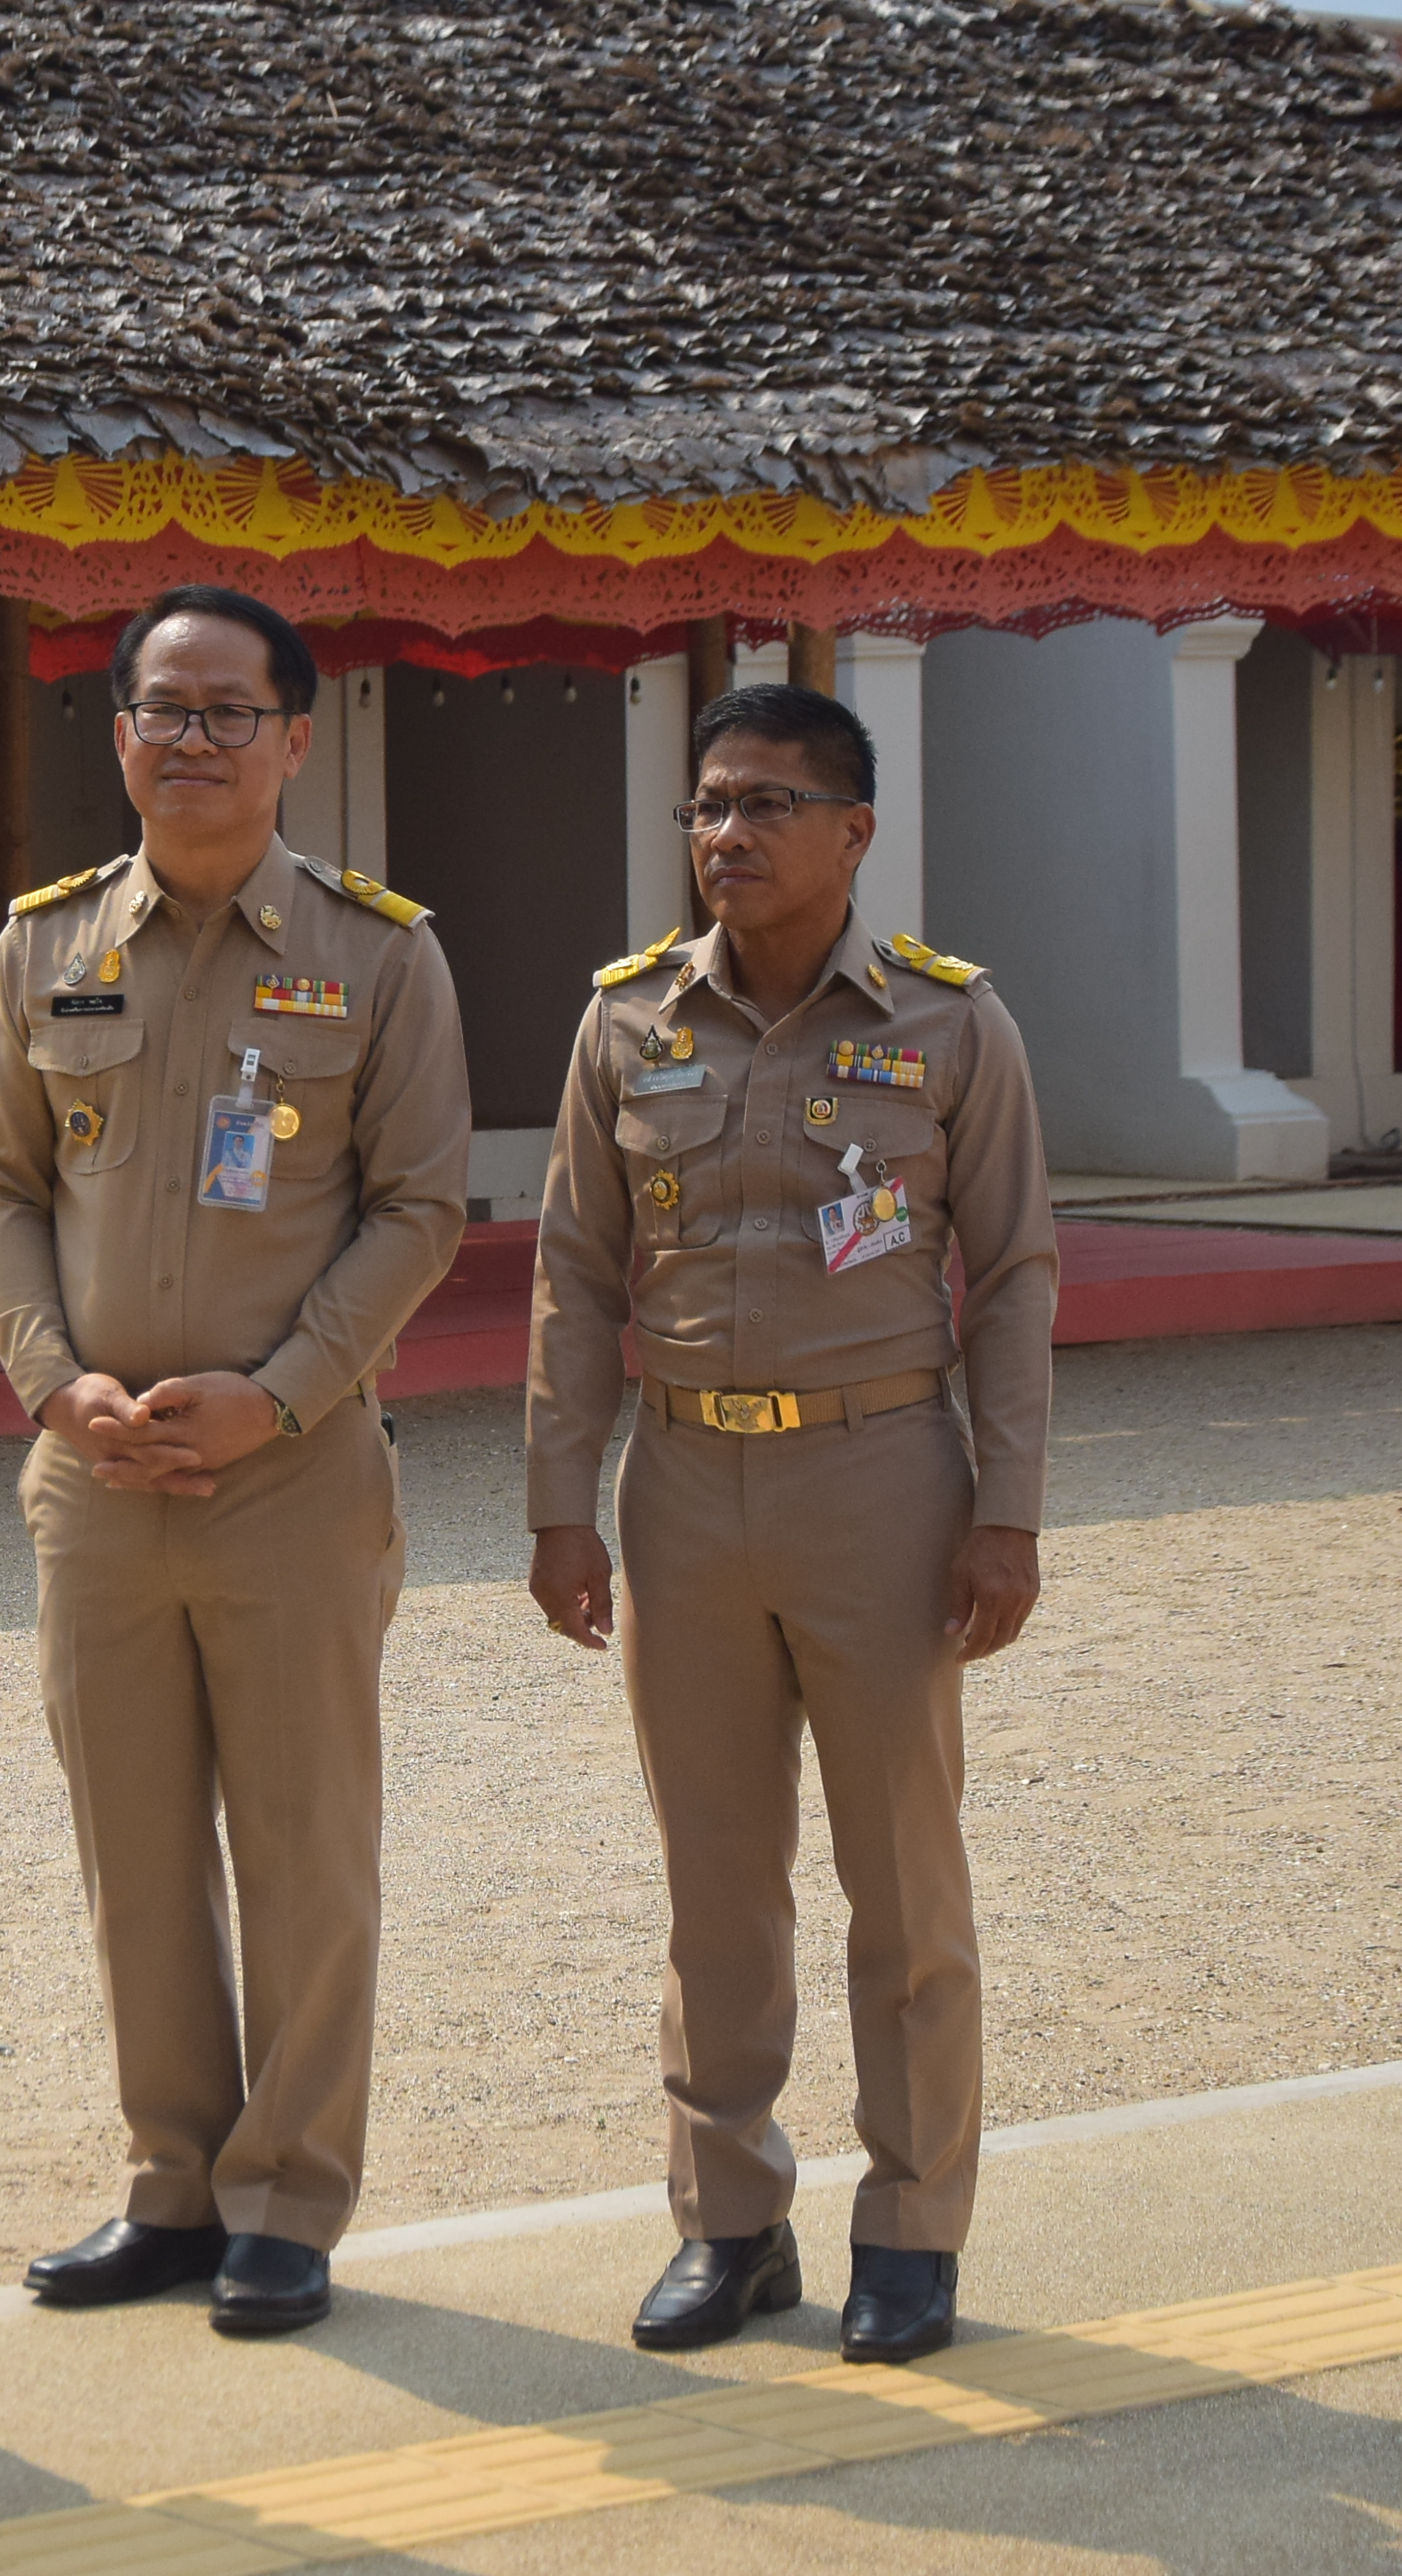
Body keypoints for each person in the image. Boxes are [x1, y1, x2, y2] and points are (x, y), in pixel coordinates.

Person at [0, 585, 470, 2337]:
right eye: (160, 709)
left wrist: (287, 1390)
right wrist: (49, 1383)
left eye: (228, 711)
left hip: (290, 1474)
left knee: (305, 1848)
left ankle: (286, 2201)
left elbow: (417, 1208)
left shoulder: (378, 954)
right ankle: (172, 2186)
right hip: (95, 1480)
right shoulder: (45, 948)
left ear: (294, 738)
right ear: (117, 735)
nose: (190, 739)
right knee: (137, 1849)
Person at [525, 679, 1053, 2368]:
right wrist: (563, 1505)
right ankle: (731, 2222)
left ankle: (912, 2230)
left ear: (854, 834)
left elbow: (1016, 1274)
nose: (724, 837)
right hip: (682, 1487)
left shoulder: (951, 1027)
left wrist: (1009, 1514)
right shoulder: (627, 1024)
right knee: (715, 1882)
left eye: (762, 806)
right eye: (705, 807)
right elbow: (573, 1275)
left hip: (881, 1479)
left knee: (901, 1880)